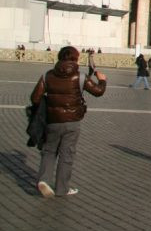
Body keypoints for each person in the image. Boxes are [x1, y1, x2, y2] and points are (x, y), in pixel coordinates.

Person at [31, 46, 107, 197]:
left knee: (49, 151)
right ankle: (62, 189)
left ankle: (44, 180)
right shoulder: (80, 77)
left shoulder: (48, 76)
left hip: (52, 121)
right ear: (76, 59)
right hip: (72, 122)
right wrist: (103, 80)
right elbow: (98, 91)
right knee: (67, 155)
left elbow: (35, 98)